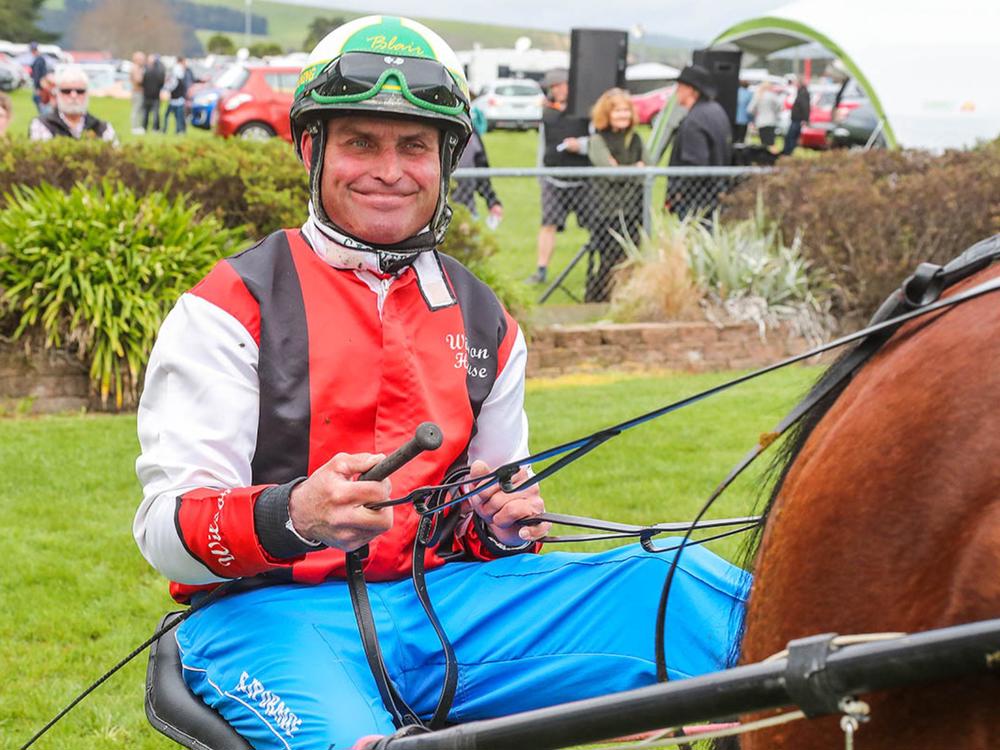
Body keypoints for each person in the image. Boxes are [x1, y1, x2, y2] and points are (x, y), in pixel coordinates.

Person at [134, 16, 749, 750]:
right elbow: (164, 533)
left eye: (415, 146)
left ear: (446, 159)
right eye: (361, 142)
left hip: (446, 609)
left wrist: (501, 527)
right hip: (267, 621)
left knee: (687, 590)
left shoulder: (488, 323)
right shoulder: (228, 307)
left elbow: (495, 516)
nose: (390, 170)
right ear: (311, 148)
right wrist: (295, 513)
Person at [526, 68, 592, 285]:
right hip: (553, 180)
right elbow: (543, 146)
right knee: (548, 224)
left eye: (560, 85)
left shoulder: (586, 111)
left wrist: (580, 146)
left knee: (596, 226)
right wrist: (541, 175)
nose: (557, 90)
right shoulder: (548, 114)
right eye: (553, 87)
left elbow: (598, 141)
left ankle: (599, 267)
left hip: (584, 181)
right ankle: (541, 271)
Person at [585, 88, 645, 302]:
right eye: (617, 111)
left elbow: (647, 171)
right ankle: (601, 299)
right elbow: (610, 173)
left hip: (633, 210)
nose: (623, 115)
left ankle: (626, 298)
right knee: (609, 258)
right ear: (607, 113)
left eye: (626, 110)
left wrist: (623, 170)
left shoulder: (636, 139)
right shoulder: (597, 140)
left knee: (631, 257)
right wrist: (634, 169)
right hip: (606, 212)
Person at [666, 64, 732, 221]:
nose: (676, 91)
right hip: (715, 192)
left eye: (680, 87)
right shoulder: (716, 110)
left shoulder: (694, 121)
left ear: (690, 89)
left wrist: (678, 193)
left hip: (696, 200)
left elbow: (695, 164)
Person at [28, 65, 117, 143]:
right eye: (66, 91)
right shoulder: (42, 125)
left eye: (80, 91)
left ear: (87, 94)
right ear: (57, 94)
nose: (73, 96)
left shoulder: (103, 129)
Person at [451, 127, 503, 226]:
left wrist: (492, 202)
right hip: (438, 217)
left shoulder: (473, 134)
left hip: (468, 212)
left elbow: (482, 174)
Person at [163, 56, 193, 134]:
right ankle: (178, 130)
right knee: (177, 116)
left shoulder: (179, 74)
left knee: (178, 116)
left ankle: (178, 130)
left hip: (178, 99)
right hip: (177, 99)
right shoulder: (178, 73)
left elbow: (170, 86)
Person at [748, 79, 781, 150]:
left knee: (764, 142)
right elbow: (779, 106)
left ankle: (764, 155)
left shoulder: (758, 95)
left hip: (761, 122)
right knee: (771, 142)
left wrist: (756, 114)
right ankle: (771, 155)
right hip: (771, 121)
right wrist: (775, 113)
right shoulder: (772, 96)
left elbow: (750, 109)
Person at [782, 76, 811, 155]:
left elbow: (805, 107)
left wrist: (805, 119)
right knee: (791, 136)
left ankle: (788, 152)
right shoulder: (801, 92)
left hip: (798, 119)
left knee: (791, 136)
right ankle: (787, 151)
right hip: (796, 119)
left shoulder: (803, 93)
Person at [141, 54, 166, 133]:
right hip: (155, 95)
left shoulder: (146, 71)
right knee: (155, 113)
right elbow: (161, 83)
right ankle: (155, 128)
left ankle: (145, 127)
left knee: (146, 113)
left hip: (147, 95)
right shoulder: (159, 72)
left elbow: (143, 82)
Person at [129, 51, 146, 134]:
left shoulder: (138, 68)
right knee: (136, 110)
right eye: (142, 59)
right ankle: (134, 128)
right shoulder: (135, 68)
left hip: (139, 92)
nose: (143, 61)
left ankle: (138, 127)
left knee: (140, 110)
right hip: (137, 92)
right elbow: (138, 80)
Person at [29, 42, 49, 113]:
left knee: (38, 99)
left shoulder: (39, 59)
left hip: (40, 85)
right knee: (38, 99)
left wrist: (37, 87)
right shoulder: (39, 59)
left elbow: (37, 74)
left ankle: (44, 114)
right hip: (41, 84)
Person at [734, 79, 751, 143]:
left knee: (734, 138)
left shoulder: (734, 92)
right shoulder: (749, 94)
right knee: (741, 139)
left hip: (734, 119)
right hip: (744, 119)